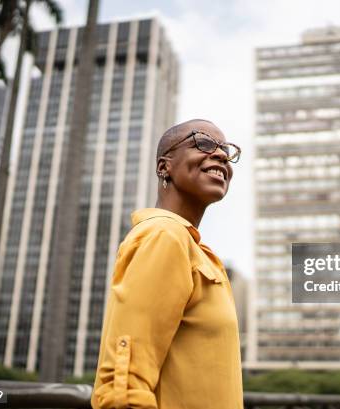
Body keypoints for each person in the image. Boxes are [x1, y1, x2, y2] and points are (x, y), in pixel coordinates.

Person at [91, 119, 243, 409]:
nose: (222, 155)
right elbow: (123, 383)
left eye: (226, 150)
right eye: (204, 143)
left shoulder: (194, 248)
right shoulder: (165, 235)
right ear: (164, 167)